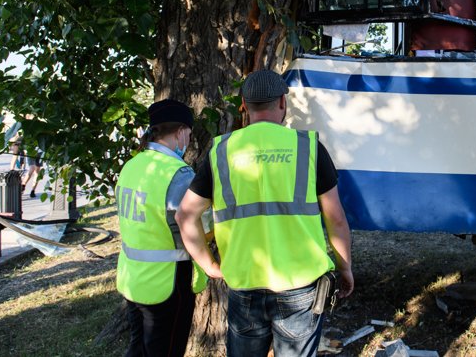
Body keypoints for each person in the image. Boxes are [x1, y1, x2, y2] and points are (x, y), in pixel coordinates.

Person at [176, 69, 354, 357]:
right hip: (301, 286)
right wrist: (344, 267)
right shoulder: (307, 147)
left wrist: (208, 265)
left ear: (244, 106)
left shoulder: (221, 151)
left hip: (245, 284)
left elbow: (185, 215)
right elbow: (336, 219)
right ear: (283, 102)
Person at [116, 99, 208, 357]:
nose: (189, 140)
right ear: (180, 131)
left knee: (138, 349)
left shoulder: (131, 166)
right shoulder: (177, 173)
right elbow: (192, 223)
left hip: (133, 277)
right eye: (189, 134)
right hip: (167, 281)